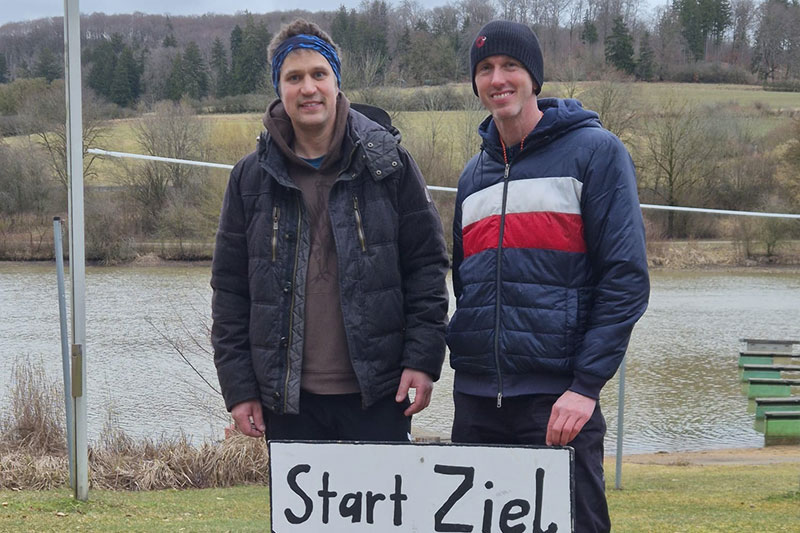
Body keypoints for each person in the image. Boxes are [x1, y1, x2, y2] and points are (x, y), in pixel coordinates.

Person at [447, 20, 650, 532]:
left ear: (534, 77)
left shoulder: (596, 153)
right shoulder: (472, 177)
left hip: (558, 401)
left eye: (511, 66)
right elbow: (465, 285)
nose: (498, 79)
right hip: (476, 403)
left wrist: (586, 385)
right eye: (485, 69)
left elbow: (625, 280)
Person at [211, 18, 449, 443]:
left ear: (336, 82)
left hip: (380, 395)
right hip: (286, 402)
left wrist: (423, 358)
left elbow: (427, 267)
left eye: (319, 74)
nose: (308, 88)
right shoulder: (249, 178)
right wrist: (240, 389)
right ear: (278, 87)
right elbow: (230, 292)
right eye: (294, 77)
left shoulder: (389, 164)